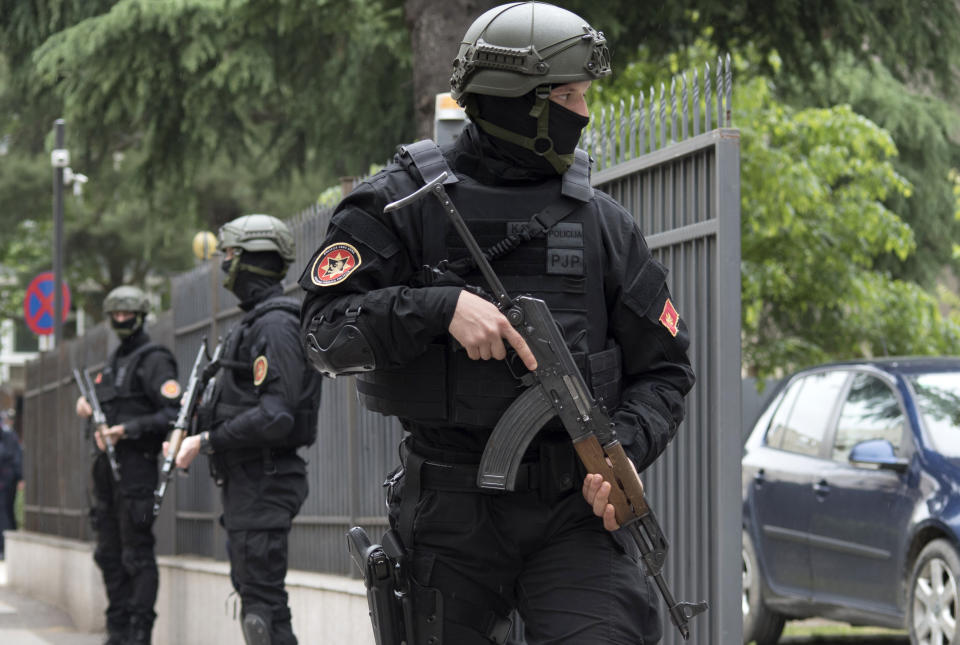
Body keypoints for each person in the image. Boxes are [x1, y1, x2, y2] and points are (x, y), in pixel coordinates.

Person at [298, 2, 696, 643]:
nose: (584, 113)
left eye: (586, 95)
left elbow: (667, 370)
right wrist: (437, 309)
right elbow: (321, 331)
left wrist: (621, 448)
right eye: (568, 95)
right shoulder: (401, 204)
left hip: (573, 513)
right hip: (448, 516)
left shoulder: (603, 225)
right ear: (518, 103)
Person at [173, 214, 323, 645]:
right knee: (257, 600)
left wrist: (206, 441)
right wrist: (188, 431)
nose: (224, 265)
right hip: (250, 483)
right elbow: (236, 403)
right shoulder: (256, 323)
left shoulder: (275, 326)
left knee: (261, 609)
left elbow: (277, 416)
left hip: (265, 482)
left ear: (253, 260)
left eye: (230, 256)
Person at [75, 286, 180, 645]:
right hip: (107, 470)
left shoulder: (155, 359)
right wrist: (88, 410)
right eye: (115, 315)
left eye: (127, 314)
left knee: (137, 553)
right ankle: (117, 630)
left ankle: (138, 634)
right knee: (108, 553)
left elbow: (173, 412)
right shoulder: (114, 360)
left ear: (140, 315)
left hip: (137, 467)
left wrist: (128, 430)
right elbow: (107, 407)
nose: (121, 320)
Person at [0, 410, 22, 560]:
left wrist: (20, 478)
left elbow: (16, 459)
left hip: (6, 482)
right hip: (6, 481)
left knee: (5, 513)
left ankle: (5, 548)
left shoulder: (9, 437)